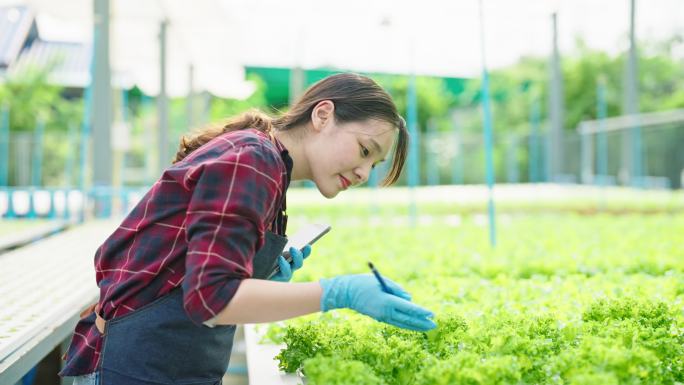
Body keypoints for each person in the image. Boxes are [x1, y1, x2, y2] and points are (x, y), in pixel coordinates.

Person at [60, 73, 436, 385]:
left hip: (167, 366)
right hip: (135, 368)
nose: (363, 173)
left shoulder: (266, 163)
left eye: (374, 166)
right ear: (323, 115)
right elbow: (211, 299)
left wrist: (260, 280)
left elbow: (204, 288)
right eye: (365, 151)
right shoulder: (253, 161)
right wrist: (338, 293)